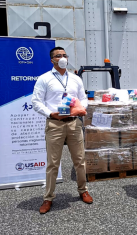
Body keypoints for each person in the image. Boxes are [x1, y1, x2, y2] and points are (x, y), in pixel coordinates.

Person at [31, 47, 93, 214]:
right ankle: (48, 197)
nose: (63, 58)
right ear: (52, 60)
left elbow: (83, 99)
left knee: (79, 160)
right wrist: (51, 113)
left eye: (64, 55)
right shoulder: (44, 79)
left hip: (73, 123)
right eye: (59, 56)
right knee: (53, 163)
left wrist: (79, 109)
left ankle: (83, 190)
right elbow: (36, 102)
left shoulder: (75, 79)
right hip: (55, 124)